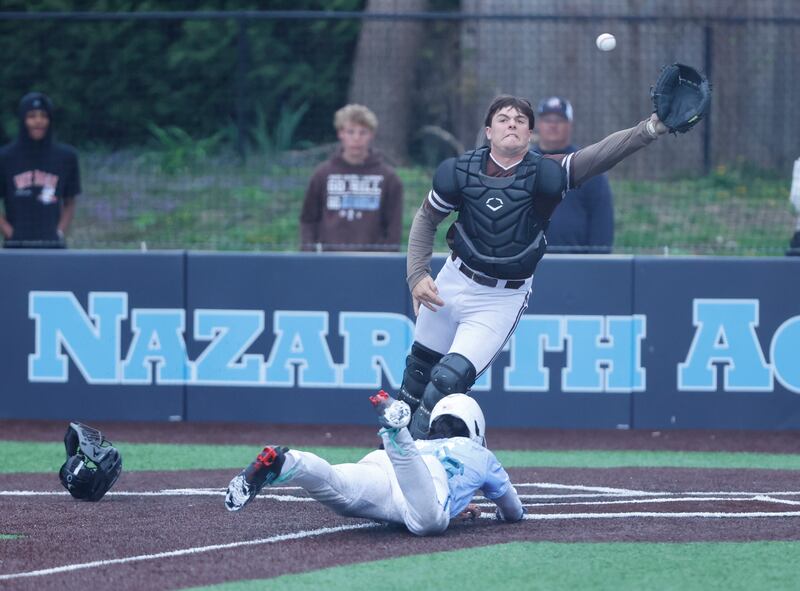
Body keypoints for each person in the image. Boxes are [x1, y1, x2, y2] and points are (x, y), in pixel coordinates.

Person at [398, 94, 673, 440]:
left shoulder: (545, 172)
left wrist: (651, 128)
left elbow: (603, 154)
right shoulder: (460, 171)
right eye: (502, 118)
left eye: (520, 119)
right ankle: (388, 457)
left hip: (499, 299)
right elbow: (426, 218)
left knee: (446, 381)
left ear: (530, 135)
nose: (511, 123)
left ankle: (421, 466)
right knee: (415, 378)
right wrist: (417, 275)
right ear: (488, 131)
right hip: (451, 282)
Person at [224, 391, 524, 536]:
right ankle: (395, 431)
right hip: (422, 473)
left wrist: (458, 504)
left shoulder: (426, 441)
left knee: (339, 491)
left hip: (386, 463)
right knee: (429, 523)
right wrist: (488, 508)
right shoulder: (481, 454)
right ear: (475, 427)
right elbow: (513, 511)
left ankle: (287, 461)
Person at [299, 104, 404, 252]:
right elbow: (308, 219)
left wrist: (386, 259)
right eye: (350, 132)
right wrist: (308, 254)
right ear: (340, 133)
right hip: (329, 260)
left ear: (371, 135)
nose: (356, 138)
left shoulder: (389, 179)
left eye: (363, 132)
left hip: (373, 262)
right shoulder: (322, 174)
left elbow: (394, 227)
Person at [532, 96, 614, 254]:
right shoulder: (523, 164)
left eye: (559, 120)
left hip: (576, 264)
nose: (553, 125)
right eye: (547, 119)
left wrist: (599, 262)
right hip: (527, 265)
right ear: (538, 124)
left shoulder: (588, 164)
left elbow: (602, 221)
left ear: (570, 125)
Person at [0, 92, 81, 248]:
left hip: (53, 246)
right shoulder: (5, 157)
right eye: (31, 116)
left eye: (44, 116)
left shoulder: (67, 157)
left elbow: (70, 203)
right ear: (23, 119)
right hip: (16, 247)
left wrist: (59, 233)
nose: (38, 121)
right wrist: (10, 233)